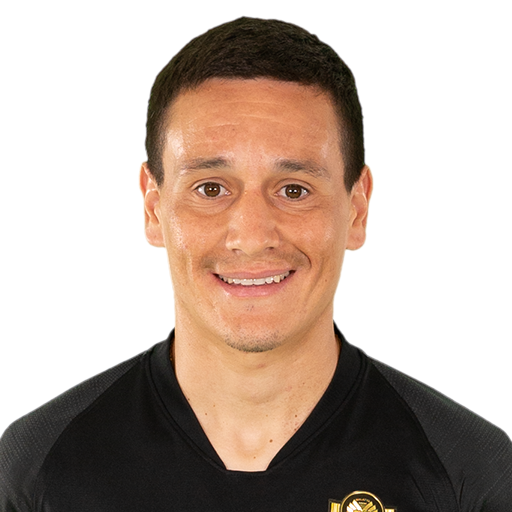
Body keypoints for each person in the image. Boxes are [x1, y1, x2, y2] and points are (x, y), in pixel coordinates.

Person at [1, 16, 511, 512]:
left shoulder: (471, 474)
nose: (251, 236)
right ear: (153, 208)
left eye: (294, 190)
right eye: (210, 189)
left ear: (357, 209)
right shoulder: (35, 471)